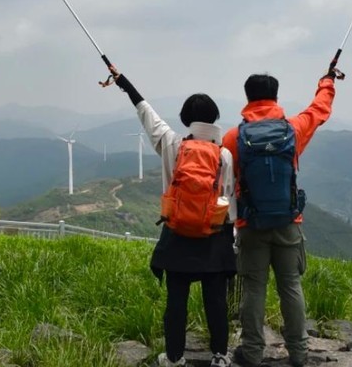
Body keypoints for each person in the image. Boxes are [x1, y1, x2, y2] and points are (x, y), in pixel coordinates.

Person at [112, 68, 237, 367]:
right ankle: (219, 356)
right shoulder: (224, 156)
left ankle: (174, 358)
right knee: (216, 301)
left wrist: (123, 82)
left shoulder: (172, 144)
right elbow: (227, 196)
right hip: (214, 236)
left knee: (176, 302)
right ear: (214, 119)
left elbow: (147, 113)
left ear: (186, 119)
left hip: (178, 234)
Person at [221, 70, 336, 367]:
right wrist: (327, 82)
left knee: (253, 288)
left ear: (247, 98)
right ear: (275, 96)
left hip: (250, 225)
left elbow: (225, 180)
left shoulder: (234, 137)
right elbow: (319, 110)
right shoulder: (292, 130)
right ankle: (299, 353)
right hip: (287, 224)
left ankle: (252, 352)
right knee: (290, 286)